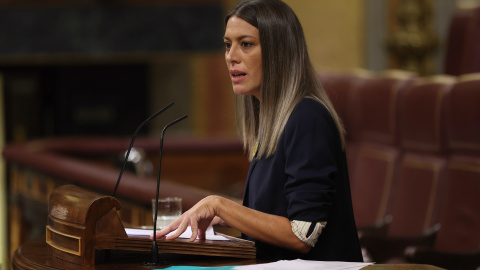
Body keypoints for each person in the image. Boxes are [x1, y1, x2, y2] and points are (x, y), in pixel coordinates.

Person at [153, 0, 363, 262]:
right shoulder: (272, 119)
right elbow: (280, 211)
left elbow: (303, 235)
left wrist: (220, 204)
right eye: (228, 45)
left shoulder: (308, 119)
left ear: (279, 52)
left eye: (246, 44)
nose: (231, 56)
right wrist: (228, 215)